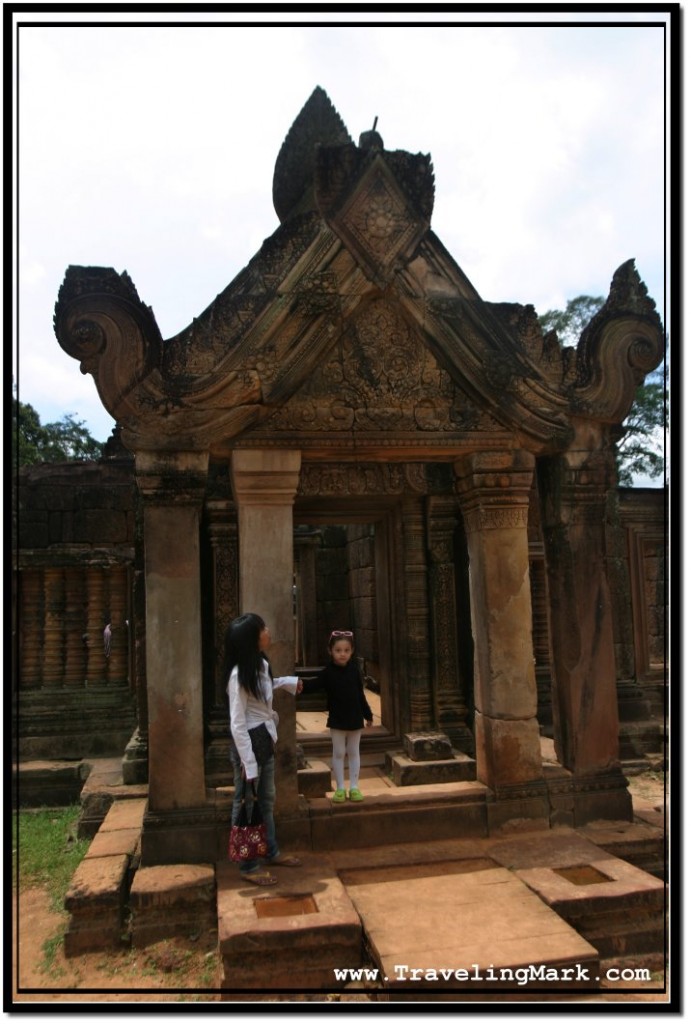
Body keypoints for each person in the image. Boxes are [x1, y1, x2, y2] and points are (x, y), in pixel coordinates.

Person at [225, 612, 304, 887]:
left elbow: (264, 690)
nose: (268, 631)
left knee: (266, 800)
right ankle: (248, 865)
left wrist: (288, 683)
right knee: (247, 803)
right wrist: (248, 763)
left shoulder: (259, 664)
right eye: (263, 629)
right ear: (252, 639)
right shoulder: (238, 676)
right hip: (249, 744)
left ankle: (270, 851)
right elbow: (237, 723)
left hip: (264, 739)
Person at [301, 629, 373, 803]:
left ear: (352, 651)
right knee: (339, 752)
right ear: (330, 651)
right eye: (338, 650)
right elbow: (314, 684)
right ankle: (340, 787)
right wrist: (297, 685)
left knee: (354, 752)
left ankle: (354, 786)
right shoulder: (328, 672)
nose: (342, 654)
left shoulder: (355, 671)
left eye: (346, 651)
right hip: (337, 719)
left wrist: (368, 714)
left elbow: (360, 695)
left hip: (355, 718)